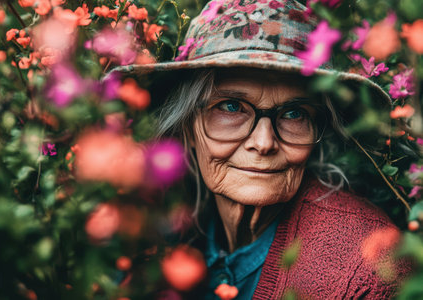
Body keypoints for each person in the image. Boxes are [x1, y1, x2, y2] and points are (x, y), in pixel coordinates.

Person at [114, 0, 410, 298]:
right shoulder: (151, 224)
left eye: (294, 114)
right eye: (231, 107)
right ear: (188, 125)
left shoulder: (367, 267)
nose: (264, 142)